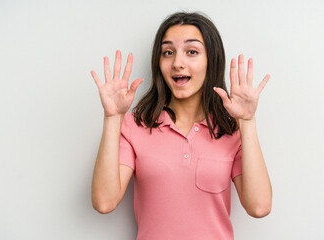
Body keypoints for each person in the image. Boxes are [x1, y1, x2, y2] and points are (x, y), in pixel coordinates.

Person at [91, 11, 272, 240]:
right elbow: (104, 202)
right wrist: (112, 118)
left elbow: (259, 207)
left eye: (192, 52)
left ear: (211, 61)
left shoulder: (231, 131)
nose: (177, 63)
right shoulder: (135, 125)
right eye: (168, 52)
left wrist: (246, 122)